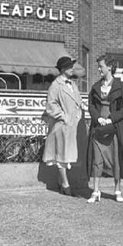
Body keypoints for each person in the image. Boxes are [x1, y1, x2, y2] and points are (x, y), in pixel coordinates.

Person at [86, 55, 123, 203]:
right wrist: (97, 118)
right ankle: (96, 190)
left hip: (115, 127)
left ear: (110, 67)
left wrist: (111, 118)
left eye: (101, 66)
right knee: (97, 159)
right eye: (99, 66)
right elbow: (91, 106)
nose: (99, 69)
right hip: (99, 128)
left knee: (116, 159)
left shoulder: (121, 86)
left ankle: (117, 190)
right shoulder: (95, 87)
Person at [42, 56, 85, 196]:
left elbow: (78, 101)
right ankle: (66, 185)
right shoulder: (56, 85)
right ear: (63, 69)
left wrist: (79, 112)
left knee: (68, 154)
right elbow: (50, 105)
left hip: (73, 124)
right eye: (69, 67)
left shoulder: (73, 84)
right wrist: (64, 116)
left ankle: (63, 183)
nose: (72, 68)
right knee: (62, 155)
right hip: (62, 126)